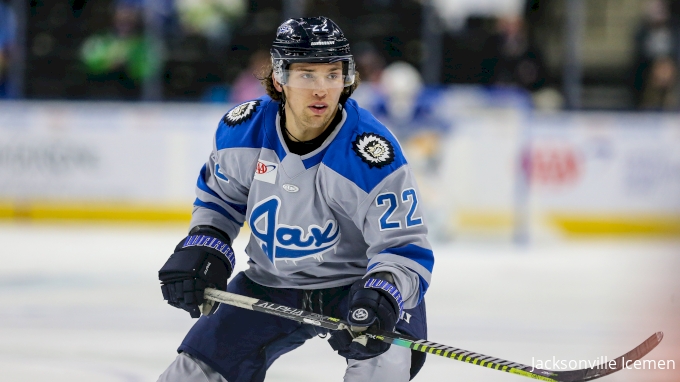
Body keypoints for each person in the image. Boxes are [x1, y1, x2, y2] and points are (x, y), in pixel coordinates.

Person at [157, 16, 434, 382]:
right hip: (270, 283)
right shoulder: (242, 131)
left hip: (357, 287)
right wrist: (206, 242)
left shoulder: (370, 155)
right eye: (307, 75)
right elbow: (219, 201)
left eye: (332, 75)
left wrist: (384, 292)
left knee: (384, 366)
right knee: (187, 376)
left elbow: (404, 248)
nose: (322, 89)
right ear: (279, 77)